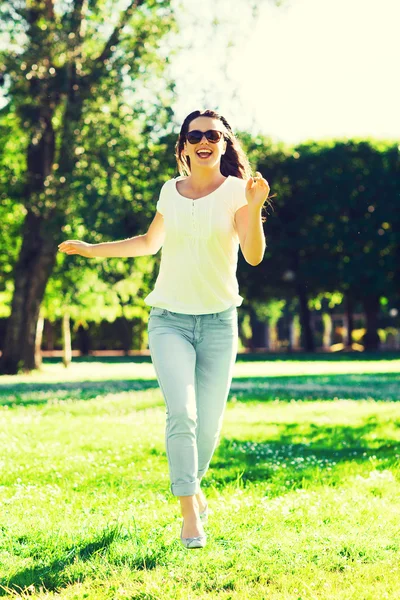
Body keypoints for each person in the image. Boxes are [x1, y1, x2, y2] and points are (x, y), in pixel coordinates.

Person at [58, 108, 271, 550]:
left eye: (213, 134)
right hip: (169, 320)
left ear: (225, 143)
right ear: (183, 147)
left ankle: (193, 484)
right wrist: (93, 250)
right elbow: (148, 242)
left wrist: (253, 208)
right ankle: (189, 512)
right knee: (183, 414)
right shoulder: (169, 192)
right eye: (195, 136)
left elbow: (252, 257)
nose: (203, 141)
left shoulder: (237, 192)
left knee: (208, 427)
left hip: (218, 323)